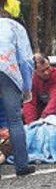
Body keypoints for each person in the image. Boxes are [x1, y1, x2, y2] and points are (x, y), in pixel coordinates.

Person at [0, 10, 35, 177]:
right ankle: (22, 165)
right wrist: (27, 88)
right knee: (14, 121)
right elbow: (26, 59)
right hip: (8, 72)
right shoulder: (15, 27)